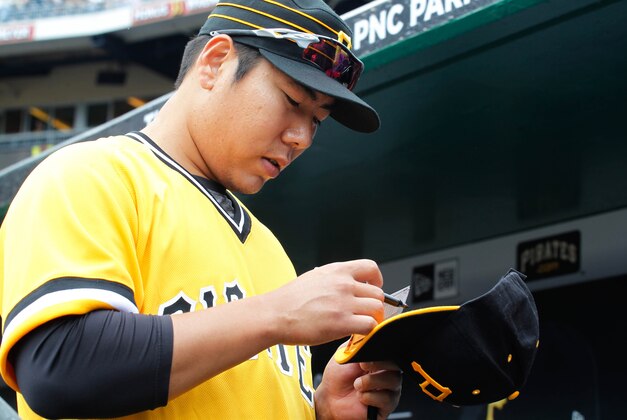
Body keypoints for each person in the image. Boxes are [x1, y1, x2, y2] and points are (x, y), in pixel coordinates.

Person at [0, 0, 402, 418]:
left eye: (317, 119)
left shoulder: (272, 253)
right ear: (214, 62)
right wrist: (277, 313)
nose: (302, 137)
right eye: (293, 101)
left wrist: (321, 410)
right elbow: (58, 369)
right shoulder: (93, 175)